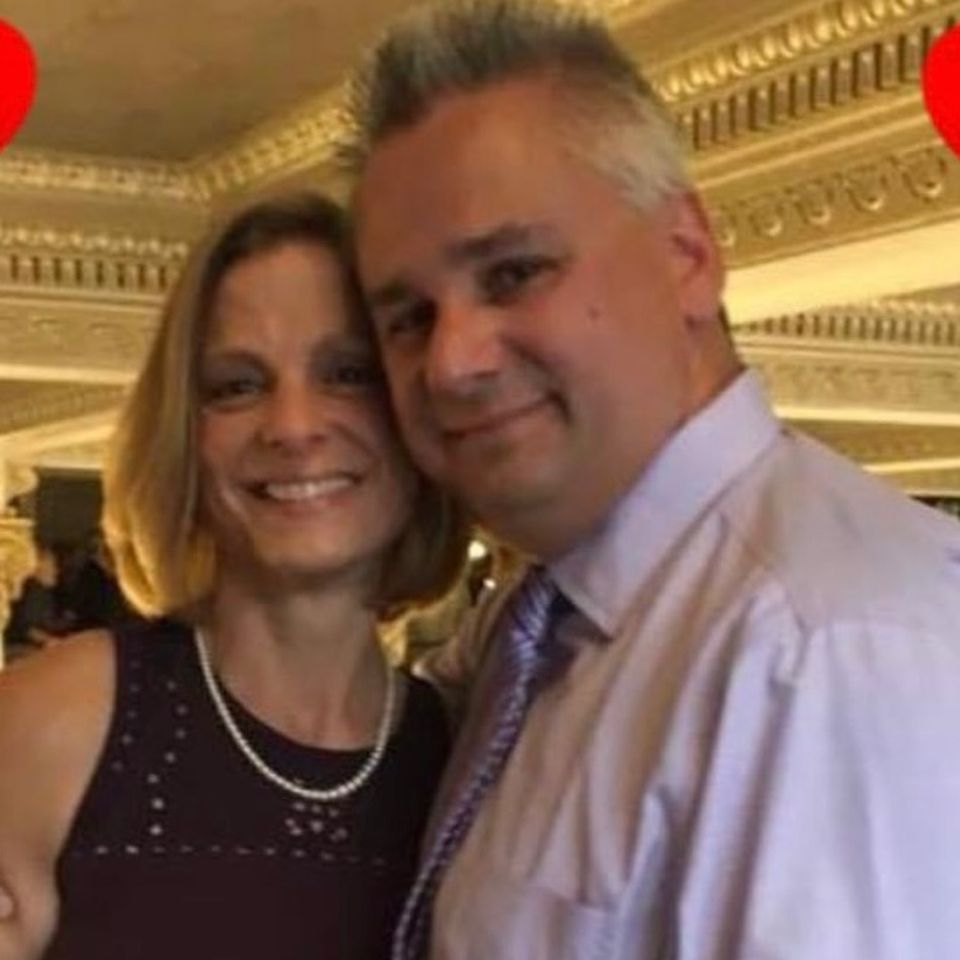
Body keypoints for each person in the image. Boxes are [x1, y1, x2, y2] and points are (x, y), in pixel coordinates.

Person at [342, 2, 960, 957]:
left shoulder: (821, 651)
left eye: (513, 273)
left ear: (687, 257)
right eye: (409, 319)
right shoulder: (538, 626)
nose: (451, 363)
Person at [0, 192, 466, 960]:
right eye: (236, 386)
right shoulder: (57, 720)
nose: (293, 426)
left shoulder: (472, 755)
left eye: (348, 373)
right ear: (185, 436)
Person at [3, 544, 61, 661]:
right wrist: (52, 641)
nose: (57, 571)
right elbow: (26, 628)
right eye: (53, 565)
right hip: (20, 649)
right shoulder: (33, 590)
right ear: (38, 566)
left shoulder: (38, 591)